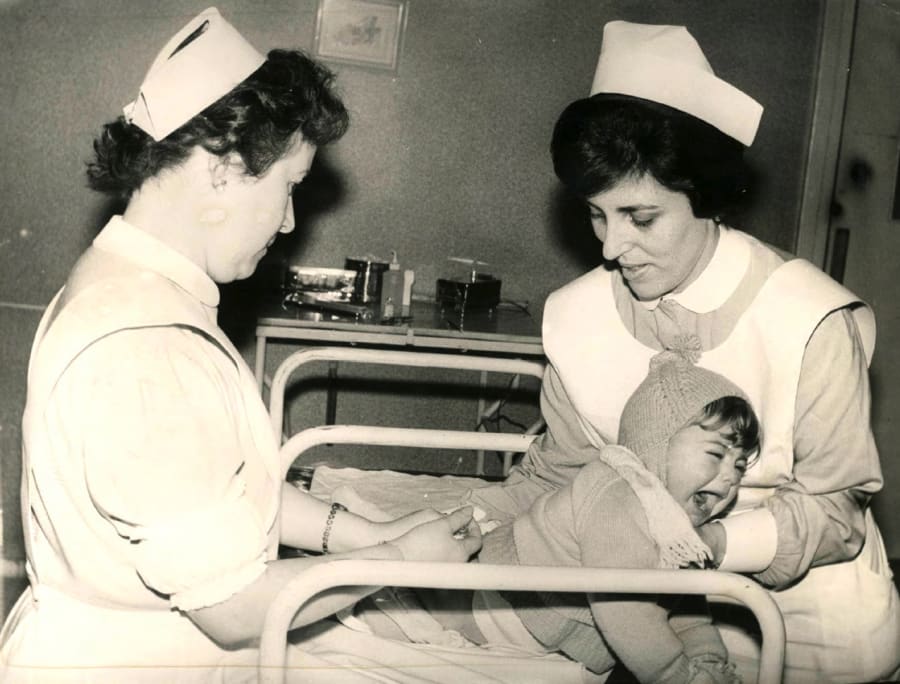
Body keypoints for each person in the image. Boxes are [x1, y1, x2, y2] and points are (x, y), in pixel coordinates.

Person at [0, 8, 481, 682]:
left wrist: (364, 535)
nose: (288, 222)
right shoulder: (145, 351)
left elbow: (212, 490)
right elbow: (229, 608)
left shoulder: (125, 284)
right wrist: (395, 565)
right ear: (222, 170)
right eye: (288, 189)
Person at [469, 20, 900, 684]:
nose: (612, 248)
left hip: (811, 623)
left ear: (705, 196)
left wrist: (713, 544)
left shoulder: (808, 317)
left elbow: (837, 511)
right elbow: (559, 478)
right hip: (652, 629)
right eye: (596, 214)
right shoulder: (576, 317)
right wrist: (455, 523)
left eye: (641, 218)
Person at [365, 343, 758, 683]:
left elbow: (686, 605)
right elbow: (627, 613)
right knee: (405, 618)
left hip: (532, 624)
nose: (729, 479)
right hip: (489, 602)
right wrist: (679, 676)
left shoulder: (675, 531)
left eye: (740, 466)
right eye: (716, 454)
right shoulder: (619, 497)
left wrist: (711, 660)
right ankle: (388, 587)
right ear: (656, 445)